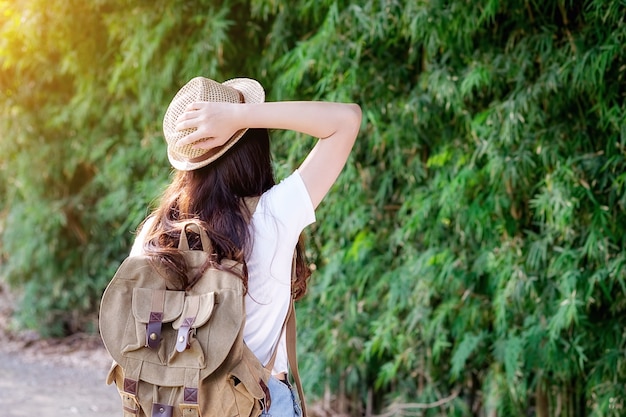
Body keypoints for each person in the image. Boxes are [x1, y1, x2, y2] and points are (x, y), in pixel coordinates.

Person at [129, 76, 361, 417]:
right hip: (260, 405)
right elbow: (346, 120)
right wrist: (241, 118)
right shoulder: (273, 215)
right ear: (252, 146)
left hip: (179, 407)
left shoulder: (156, 232)